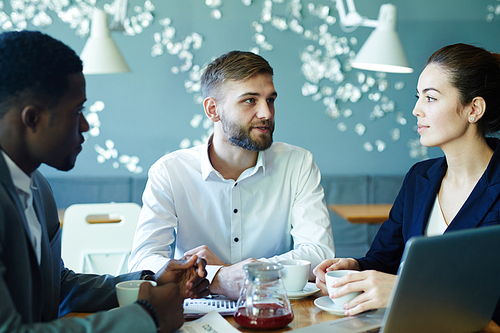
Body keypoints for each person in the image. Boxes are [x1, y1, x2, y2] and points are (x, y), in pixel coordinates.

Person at [0, 30, 209, 333]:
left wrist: (147, 283)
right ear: (32, 118)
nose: (85, 125)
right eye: (77, 111)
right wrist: (147, 317)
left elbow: (56, 286)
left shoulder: (37, 187)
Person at [313, 43, 500, 324]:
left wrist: (404, 290)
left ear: (474, 109)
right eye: (418, 97)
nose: (416, 110)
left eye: (431, 98)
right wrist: (354, 268)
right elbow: (384, 259)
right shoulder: (419, 178)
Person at [129, 50, 335, 299]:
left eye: (270, 100)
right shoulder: (170, 171)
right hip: (195, 313)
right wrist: (220, 279)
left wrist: (233, 273)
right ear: (213, 109)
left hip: (272, 306)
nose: (266, 113)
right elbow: (142, 262)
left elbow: (319, 252)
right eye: (250, 100)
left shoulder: (298, 163)